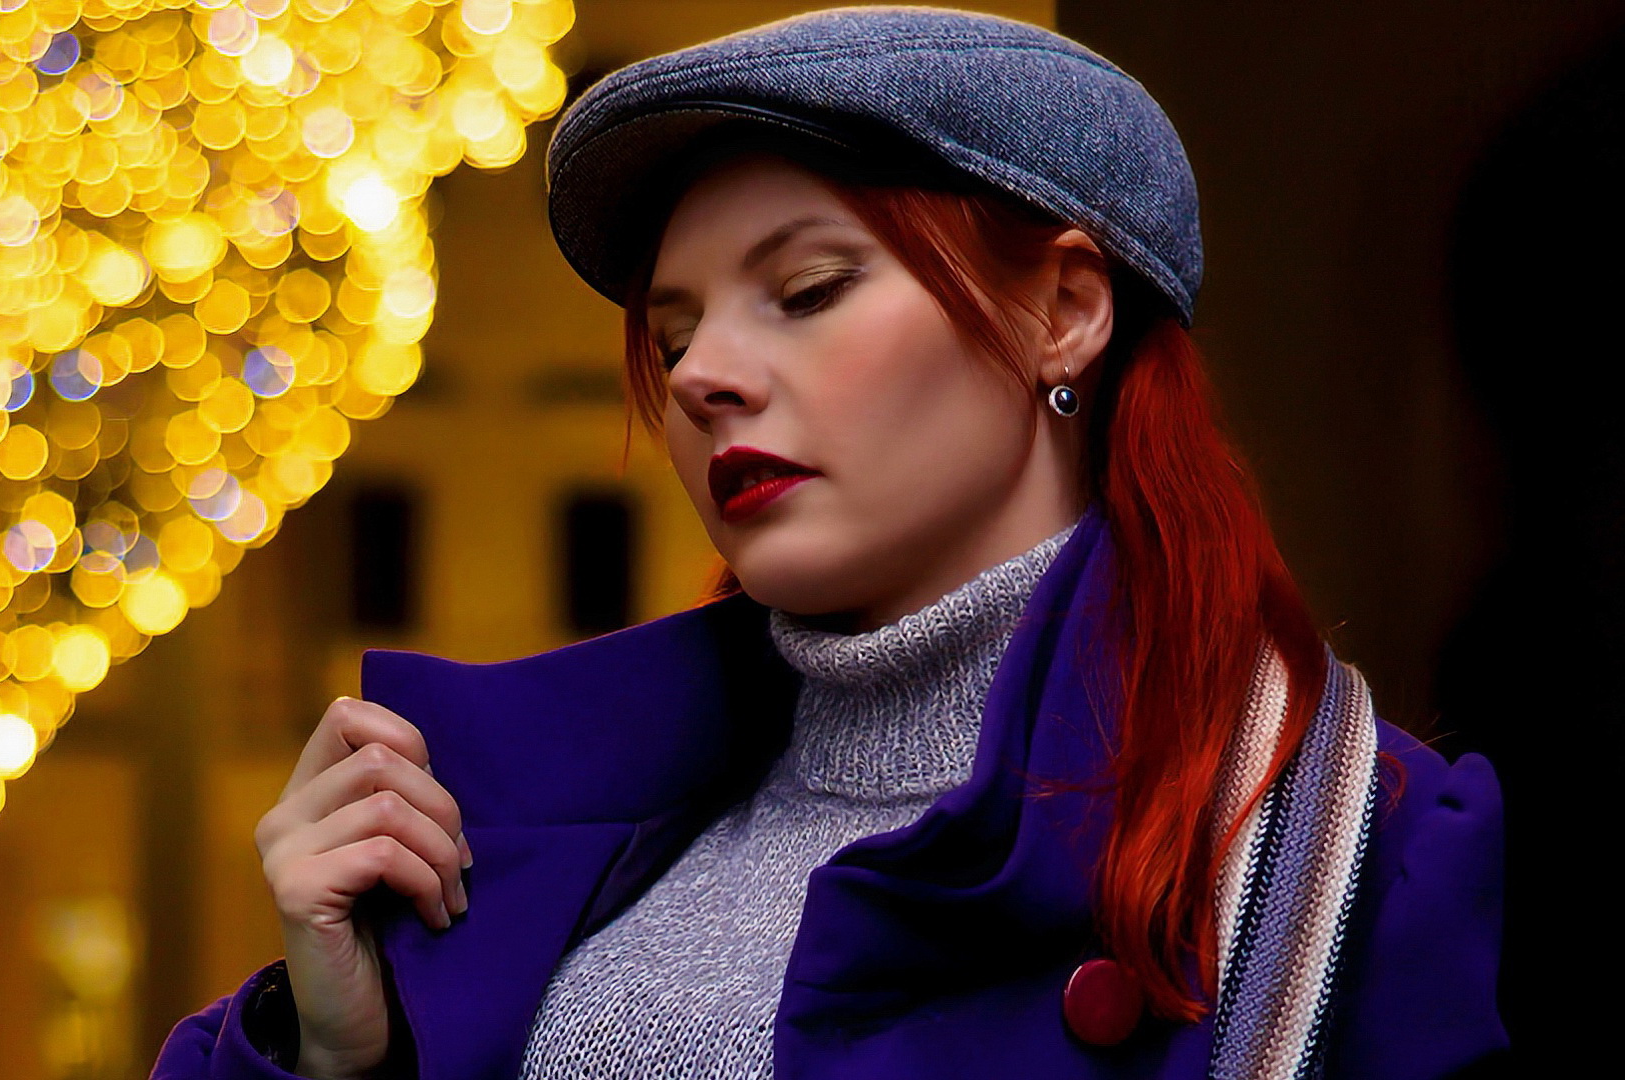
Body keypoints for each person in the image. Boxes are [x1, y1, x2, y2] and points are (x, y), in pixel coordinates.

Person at [153, 7, 1505, 1079]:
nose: (698, 378)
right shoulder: (538, 843)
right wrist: (337, 1057)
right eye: (673, 336)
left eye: (804, 291)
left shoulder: (1347, 861)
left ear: (1066, 310)